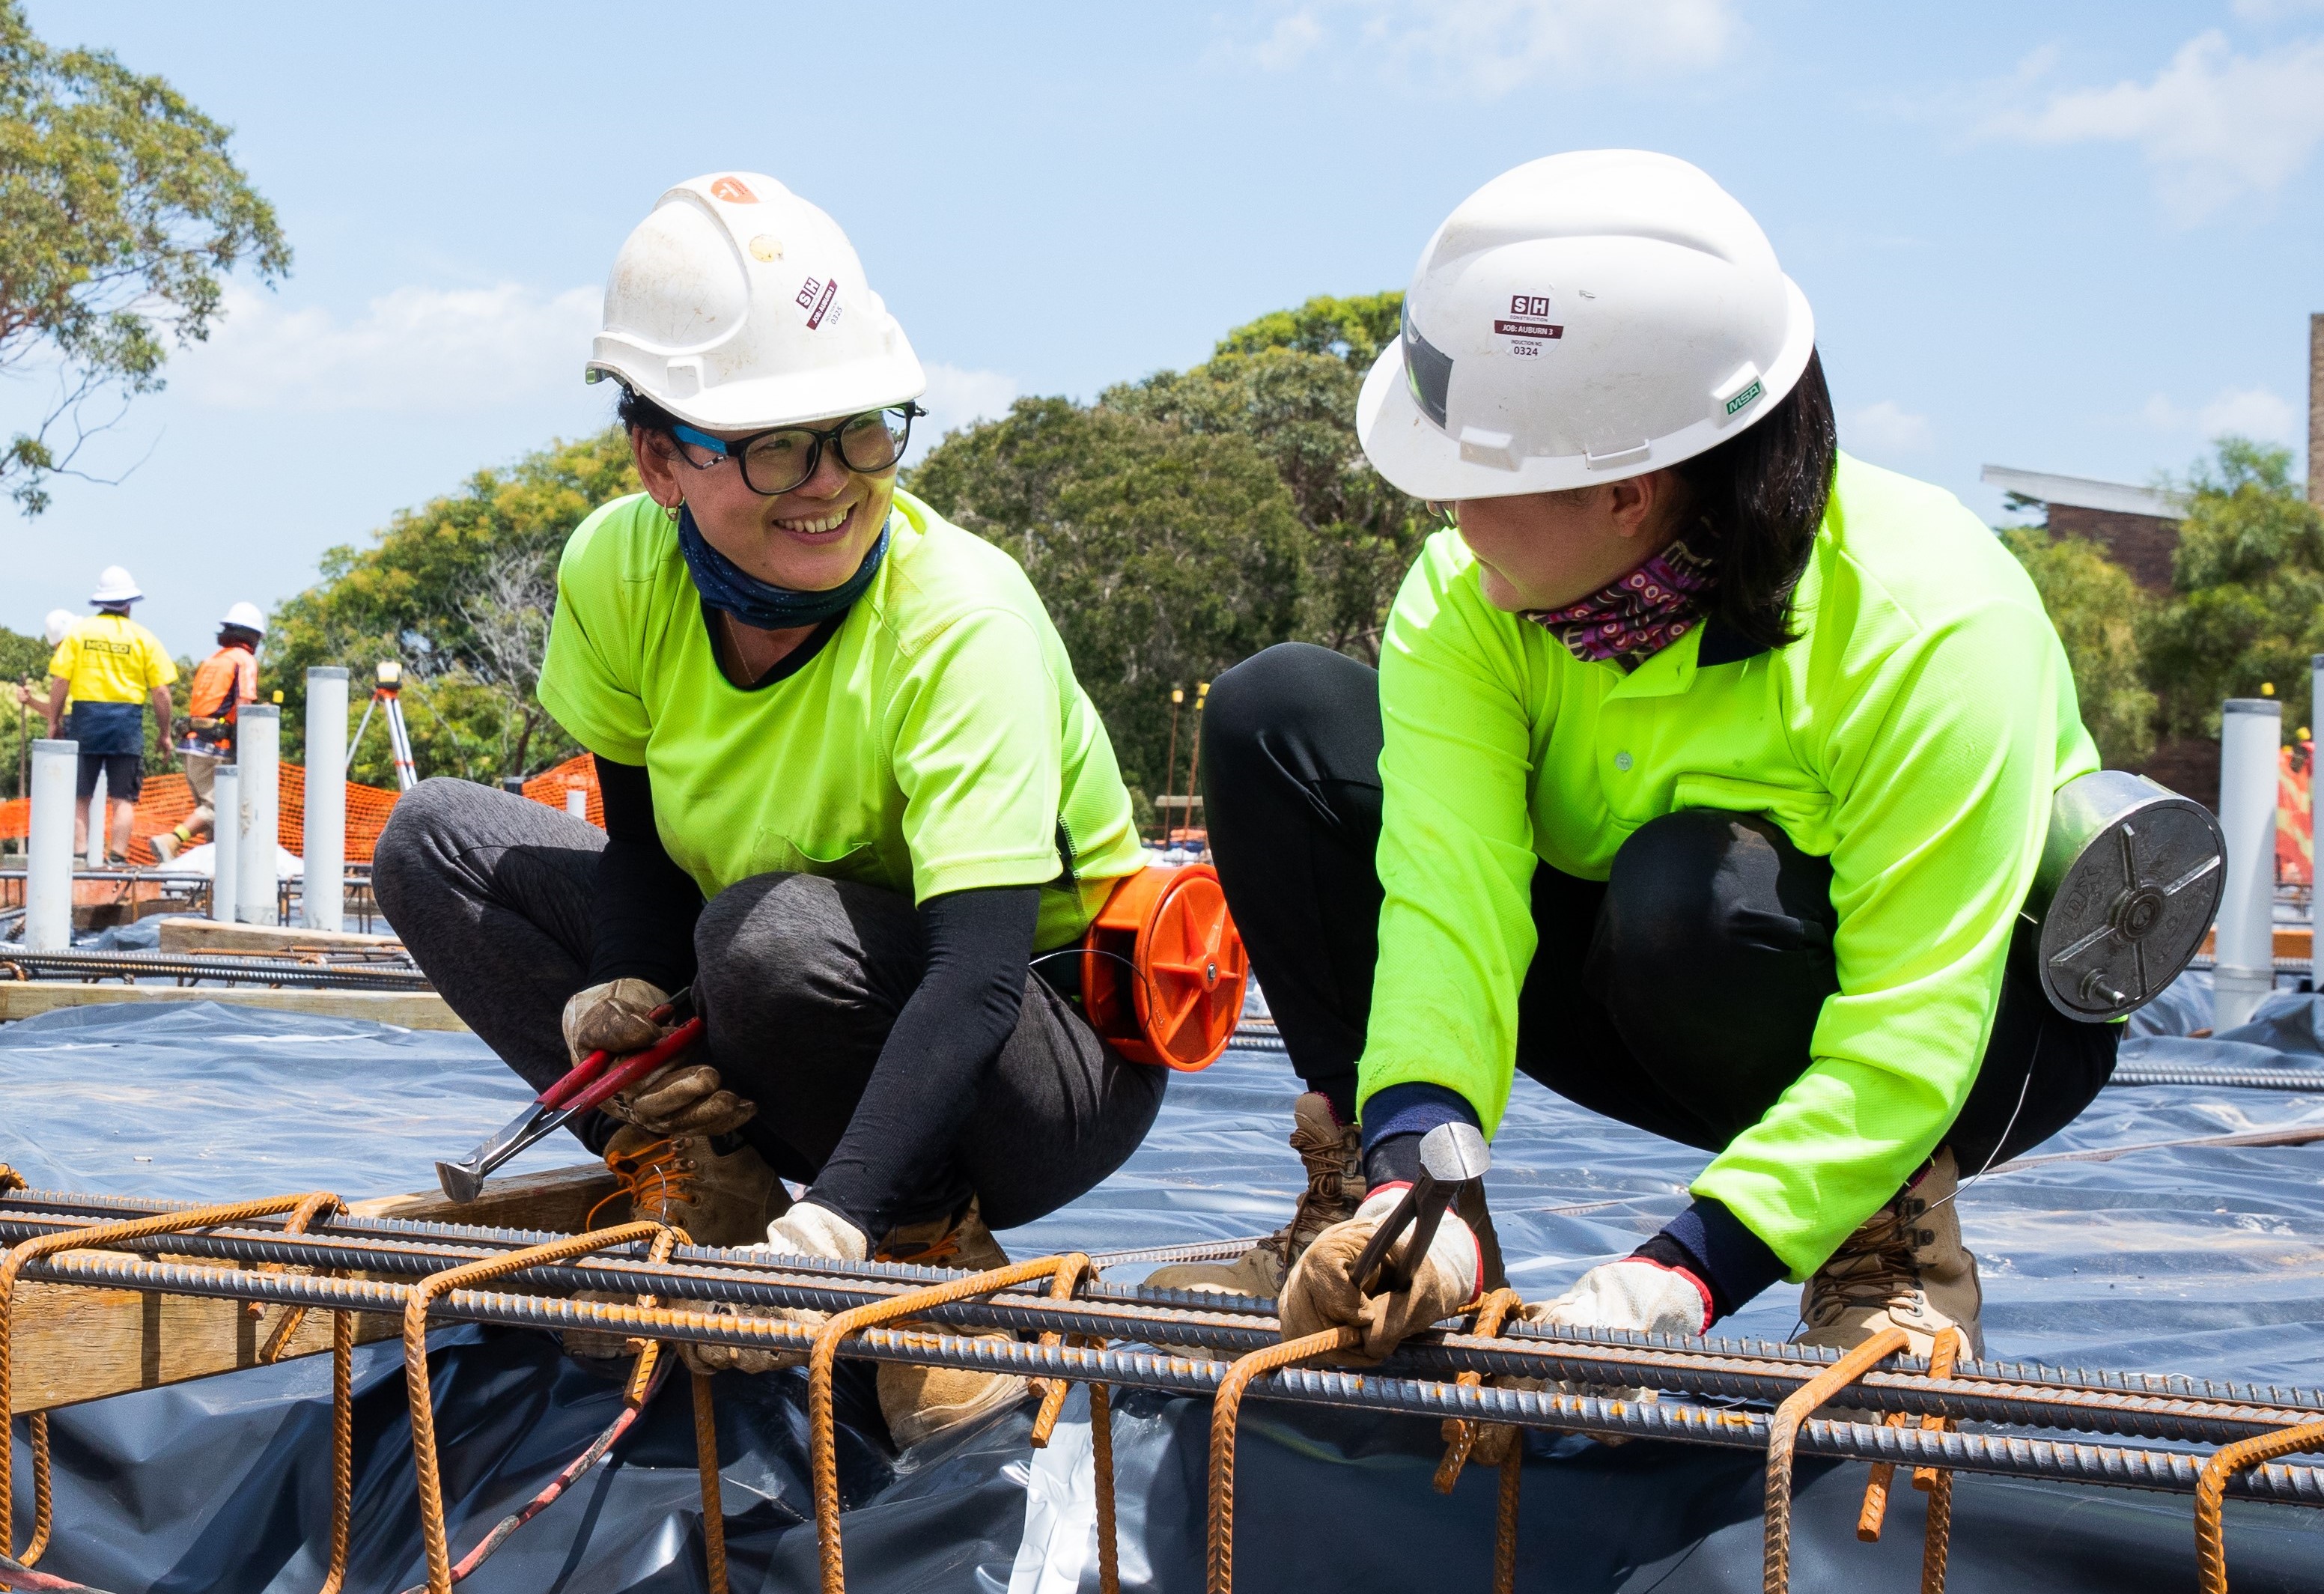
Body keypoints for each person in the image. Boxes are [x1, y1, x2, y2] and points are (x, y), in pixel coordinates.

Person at [1156, 151, 2114, 1366]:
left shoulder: (1926, 618)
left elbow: (1909, 1025)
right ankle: (1373, 1216)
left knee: (1690, 890)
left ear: (1626, 491)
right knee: (1275, 713)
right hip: (1646, 982)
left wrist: (1680, 1271)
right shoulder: (1472, 596)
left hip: (1977, 1028)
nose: (1441, 514)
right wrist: (1421, 1174)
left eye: (1471, 479)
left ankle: (1884, 1240)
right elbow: (1446, 904)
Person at [373, 173, 1159, 1446]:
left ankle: (916, 1248)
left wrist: (836, 1218)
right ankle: (701, 1177)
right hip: (774, 991)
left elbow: (974, 975)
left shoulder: (960, 618)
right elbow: (636, 845)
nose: (830, 483)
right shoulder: (617, 568)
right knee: (437, 840)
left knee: (770, 934)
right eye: (777, 445)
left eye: (862, 432)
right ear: (657, 459)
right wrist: (616, 982)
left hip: (1034, 1060)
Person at [45, 567, 174, 867]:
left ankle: (78, 860)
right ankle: (117, 860)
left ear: (101, 602)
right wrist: (164, 733)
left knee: (81, 796)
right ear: (129, 604)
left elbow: (60, 681)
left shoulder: (79, 633)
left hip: (86, 719)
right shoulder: (144, 638)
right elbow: (162, 693)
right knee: (123, 799)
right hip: (126, 723)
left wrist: (53, 721)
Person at [150, 603, 264, 862]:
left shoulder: (213, 660)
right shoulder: (244, 660)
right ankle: (173, 839)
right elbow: (244, 705)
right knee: (221, 806)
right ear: (252, 637)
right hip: (217, 747)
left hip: (193, 745)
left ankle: (216, 873)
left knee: (214, 817)